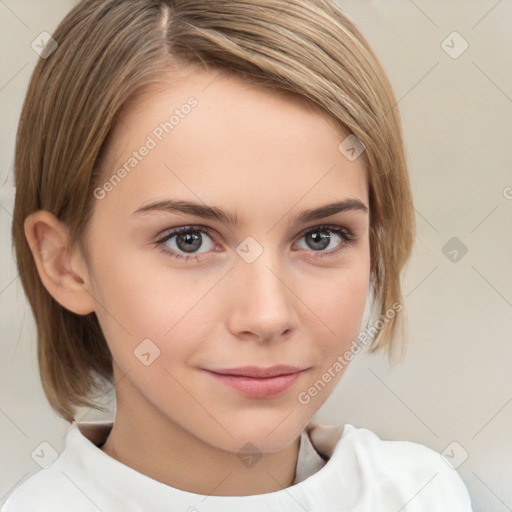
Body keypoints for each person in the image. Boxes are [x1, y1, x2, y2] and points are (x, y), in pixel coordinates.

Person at [3, 0, 473, 510]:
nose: (268, 316)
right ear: (64, 263)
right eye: (189, 240)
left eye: (321, 237)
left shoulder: (419, 494)